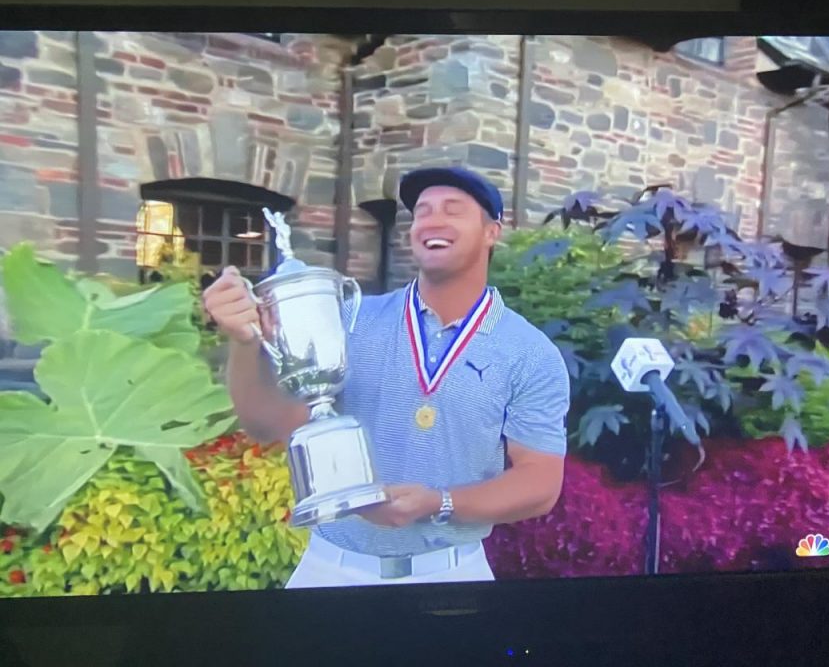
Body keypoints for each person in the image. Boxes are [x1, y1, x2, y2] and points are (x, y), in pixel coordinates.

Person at [202, 166, 571, 587]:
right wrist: (244, 341)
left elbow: (540, 482)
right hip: (330, 570)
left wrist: (439, 503)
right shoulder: (352, 317)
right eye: (422, 212)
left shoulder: (529, 352)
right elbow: (268, 425)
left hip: (452, 575)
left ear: (492, 233)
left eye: (453, 210)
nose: (432, 221)